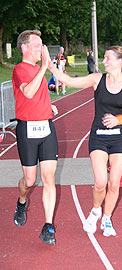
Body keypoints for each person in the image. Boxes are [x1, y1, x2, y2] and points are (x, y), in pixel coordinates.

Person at [48, 46, 122, 237]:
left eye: (107, 58)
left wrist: (119, 119)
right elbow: (69, 81)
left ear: (118, 61)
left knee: (114, 184)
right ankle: (95, 210)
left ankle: (106, 218)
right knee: (100, 182)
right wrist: (50, 66)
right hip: (98, 136)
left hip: (119, 139)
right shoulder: (97, 79)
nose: (104, 61)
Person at [12, 30, 59, 245]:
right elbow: (29, 92)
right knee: (30, 180)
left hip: (46, 128)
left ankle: (48, 226)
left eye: (42, 45)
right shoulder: (20, 70)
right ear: (24, 48)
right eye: (37, 45)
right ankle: (22, 201)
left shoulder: (41, 69)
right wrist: (43, 69)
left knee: (49, 178)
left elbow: (39, 95)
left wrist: (48, 106)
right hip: (27, 130)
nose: (42, 49)